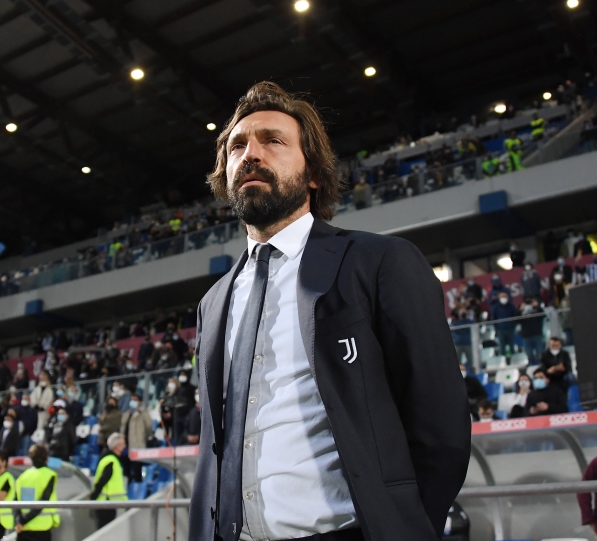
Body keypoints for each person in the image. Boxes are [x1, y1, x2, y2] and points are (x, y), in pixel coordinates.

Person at [190, 82, 470, 541]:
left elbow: (441, 425)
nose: (250, 154)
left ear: (314, 174)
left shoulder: (380, 262)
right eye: (238, 145)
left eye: (273, 140)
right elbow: (213, 446)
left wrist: (401, 524)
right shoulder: (213, 301)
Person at [12, 444, 60, 541]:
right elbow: (43, 501)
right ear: (46, 458)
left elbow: (15, 502)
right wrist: (24, 520)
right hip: (42, 528)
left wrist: (19, 521)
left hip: (23, 529)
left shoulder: (22, 477)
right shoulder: (49, 475)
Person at [90, 433, 128, 529]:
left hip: (107, 503)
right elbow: (103, 480)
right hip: (106, 503)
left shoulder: (108, 459)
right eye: (122, 444)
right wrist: (93, 496)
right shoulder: (111, 460)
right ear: (116, 446)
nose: (124, 447)